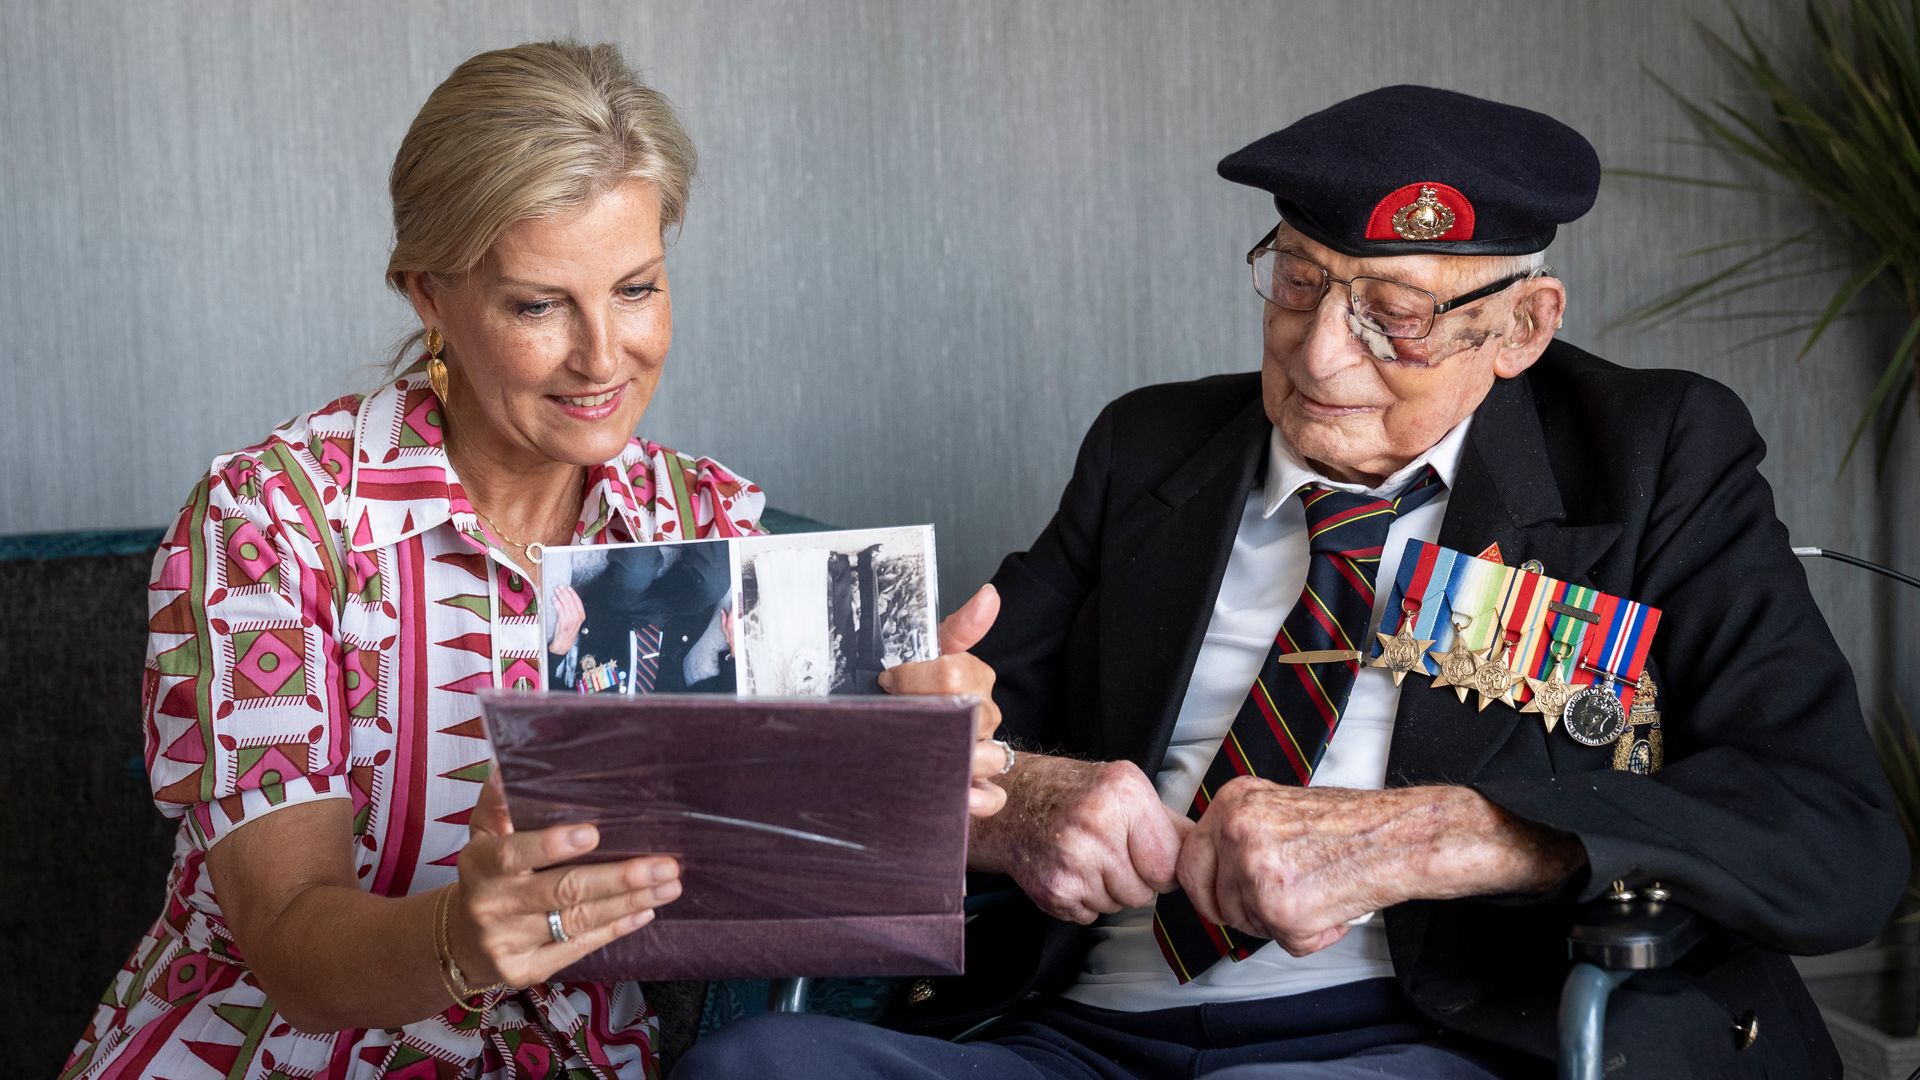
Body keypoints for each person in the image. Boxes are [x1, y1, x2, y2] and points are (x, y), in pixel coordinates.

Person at [676, 85, 1909, 1078]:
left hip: (1428, 1036)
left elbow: (1831, 837)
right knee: (760, 1060)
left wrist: (1440, 832)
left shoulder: (1652, 459)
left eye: (1395, 315)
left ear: (1523, 328)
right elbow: (974, 745)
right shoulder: (1150, 450)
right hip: (1083, 1036)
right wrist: (1003, 794)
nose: (1324, 353)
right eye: (1301, 280)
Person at [63, 41, 1008, 1080]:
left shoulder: (702, 524)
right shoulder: (271, 521)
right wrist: (462, 942)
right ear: (429, 293)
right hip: (267, 1055)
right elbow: (292, 946)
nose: (605, 357)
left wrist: (920, 762)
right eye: (538, 304)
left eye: (637, 288)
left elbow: (800, 886)